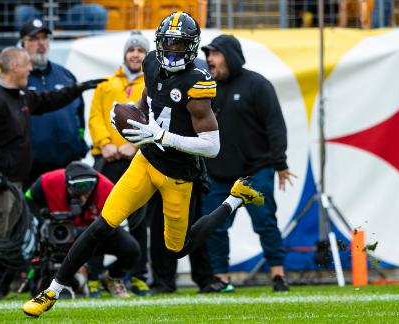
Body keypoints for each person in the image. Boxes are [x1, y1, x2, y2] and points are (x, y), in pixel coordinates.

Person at [22, 11, 264, 318]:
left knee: (178, 247)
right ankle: (51, 291)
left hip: (179, 173)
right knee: (102, 224)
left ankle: (233, 199)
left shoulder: (198, 81)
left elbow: (212, 147)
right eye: (168, 44)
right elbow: (146, 102)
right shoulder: (151, 63)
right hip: (147, 159)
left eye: (180, 45)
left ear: (191, 47)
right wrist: (128, 117)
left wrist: (161, 134)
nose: (172, 51)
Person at [0, 47, 104, 301]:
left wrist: (78, 88)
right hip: (0, 184)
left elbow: (47, 101)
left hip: (12, 182)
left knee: (2, 237)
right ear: (14, 67)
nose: (30, 69)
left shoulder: (18, 96)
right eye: (26, 64)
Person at [201, 34, 295, 292]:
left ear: (230, 56)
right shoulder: (205, 88)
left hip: (256, 171)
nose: (209, 59)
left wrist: (280, 163)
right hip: (217, 174)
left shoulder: (257, 84)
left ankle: (278, 275)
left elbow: (276, 126)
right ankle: (221, 279)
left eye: (215, 54)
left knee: (265, 222)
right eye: (207, 54)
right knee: (215, 227)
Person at [88, 30, 151, 296]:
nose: (135, 54)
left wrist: (133, 144)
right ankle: (92, 275)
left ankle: (136, 275)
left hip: (138, 159)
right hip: (108, 159)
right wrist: (106, 144)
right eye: (131, 50)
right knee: (100, 218)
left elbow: (155, 119)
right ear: (125, 54)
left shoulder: (153, 84)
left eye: (140, 50)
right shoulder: (106, 85)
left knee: (139, 220)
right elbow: (95, 118)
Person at [26, 161, 140, 298]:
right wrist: (43, 220)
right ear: (66, 184)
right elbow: (28, 197)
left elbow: (103, 231)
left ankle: (111, 278)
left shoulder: (107, 189)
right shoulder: (49, 180)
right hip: (59, 232)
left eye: (87, 190)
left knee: (131, 249)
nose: (82, 197)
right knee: (49, 240)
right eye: (78, 190)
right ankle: (57, 283)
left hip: (93, 231)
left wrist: (93, 274)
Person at [21, 18, 89, 188]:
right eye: (34, 39)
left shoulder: (65, 75)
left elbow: (79, 115)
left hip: (66, 166)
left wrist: (78, 143)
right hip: (31, 170)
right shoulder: (18, 78)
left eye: (44, 38)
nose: (41, 43)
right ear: (23, 43)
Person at [14, 1, 107, 31]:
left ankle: (90, 53)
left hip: (68, 13)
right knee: (22, 12)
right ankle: (23, 55)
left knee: (98, 12)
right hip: (40, 14)